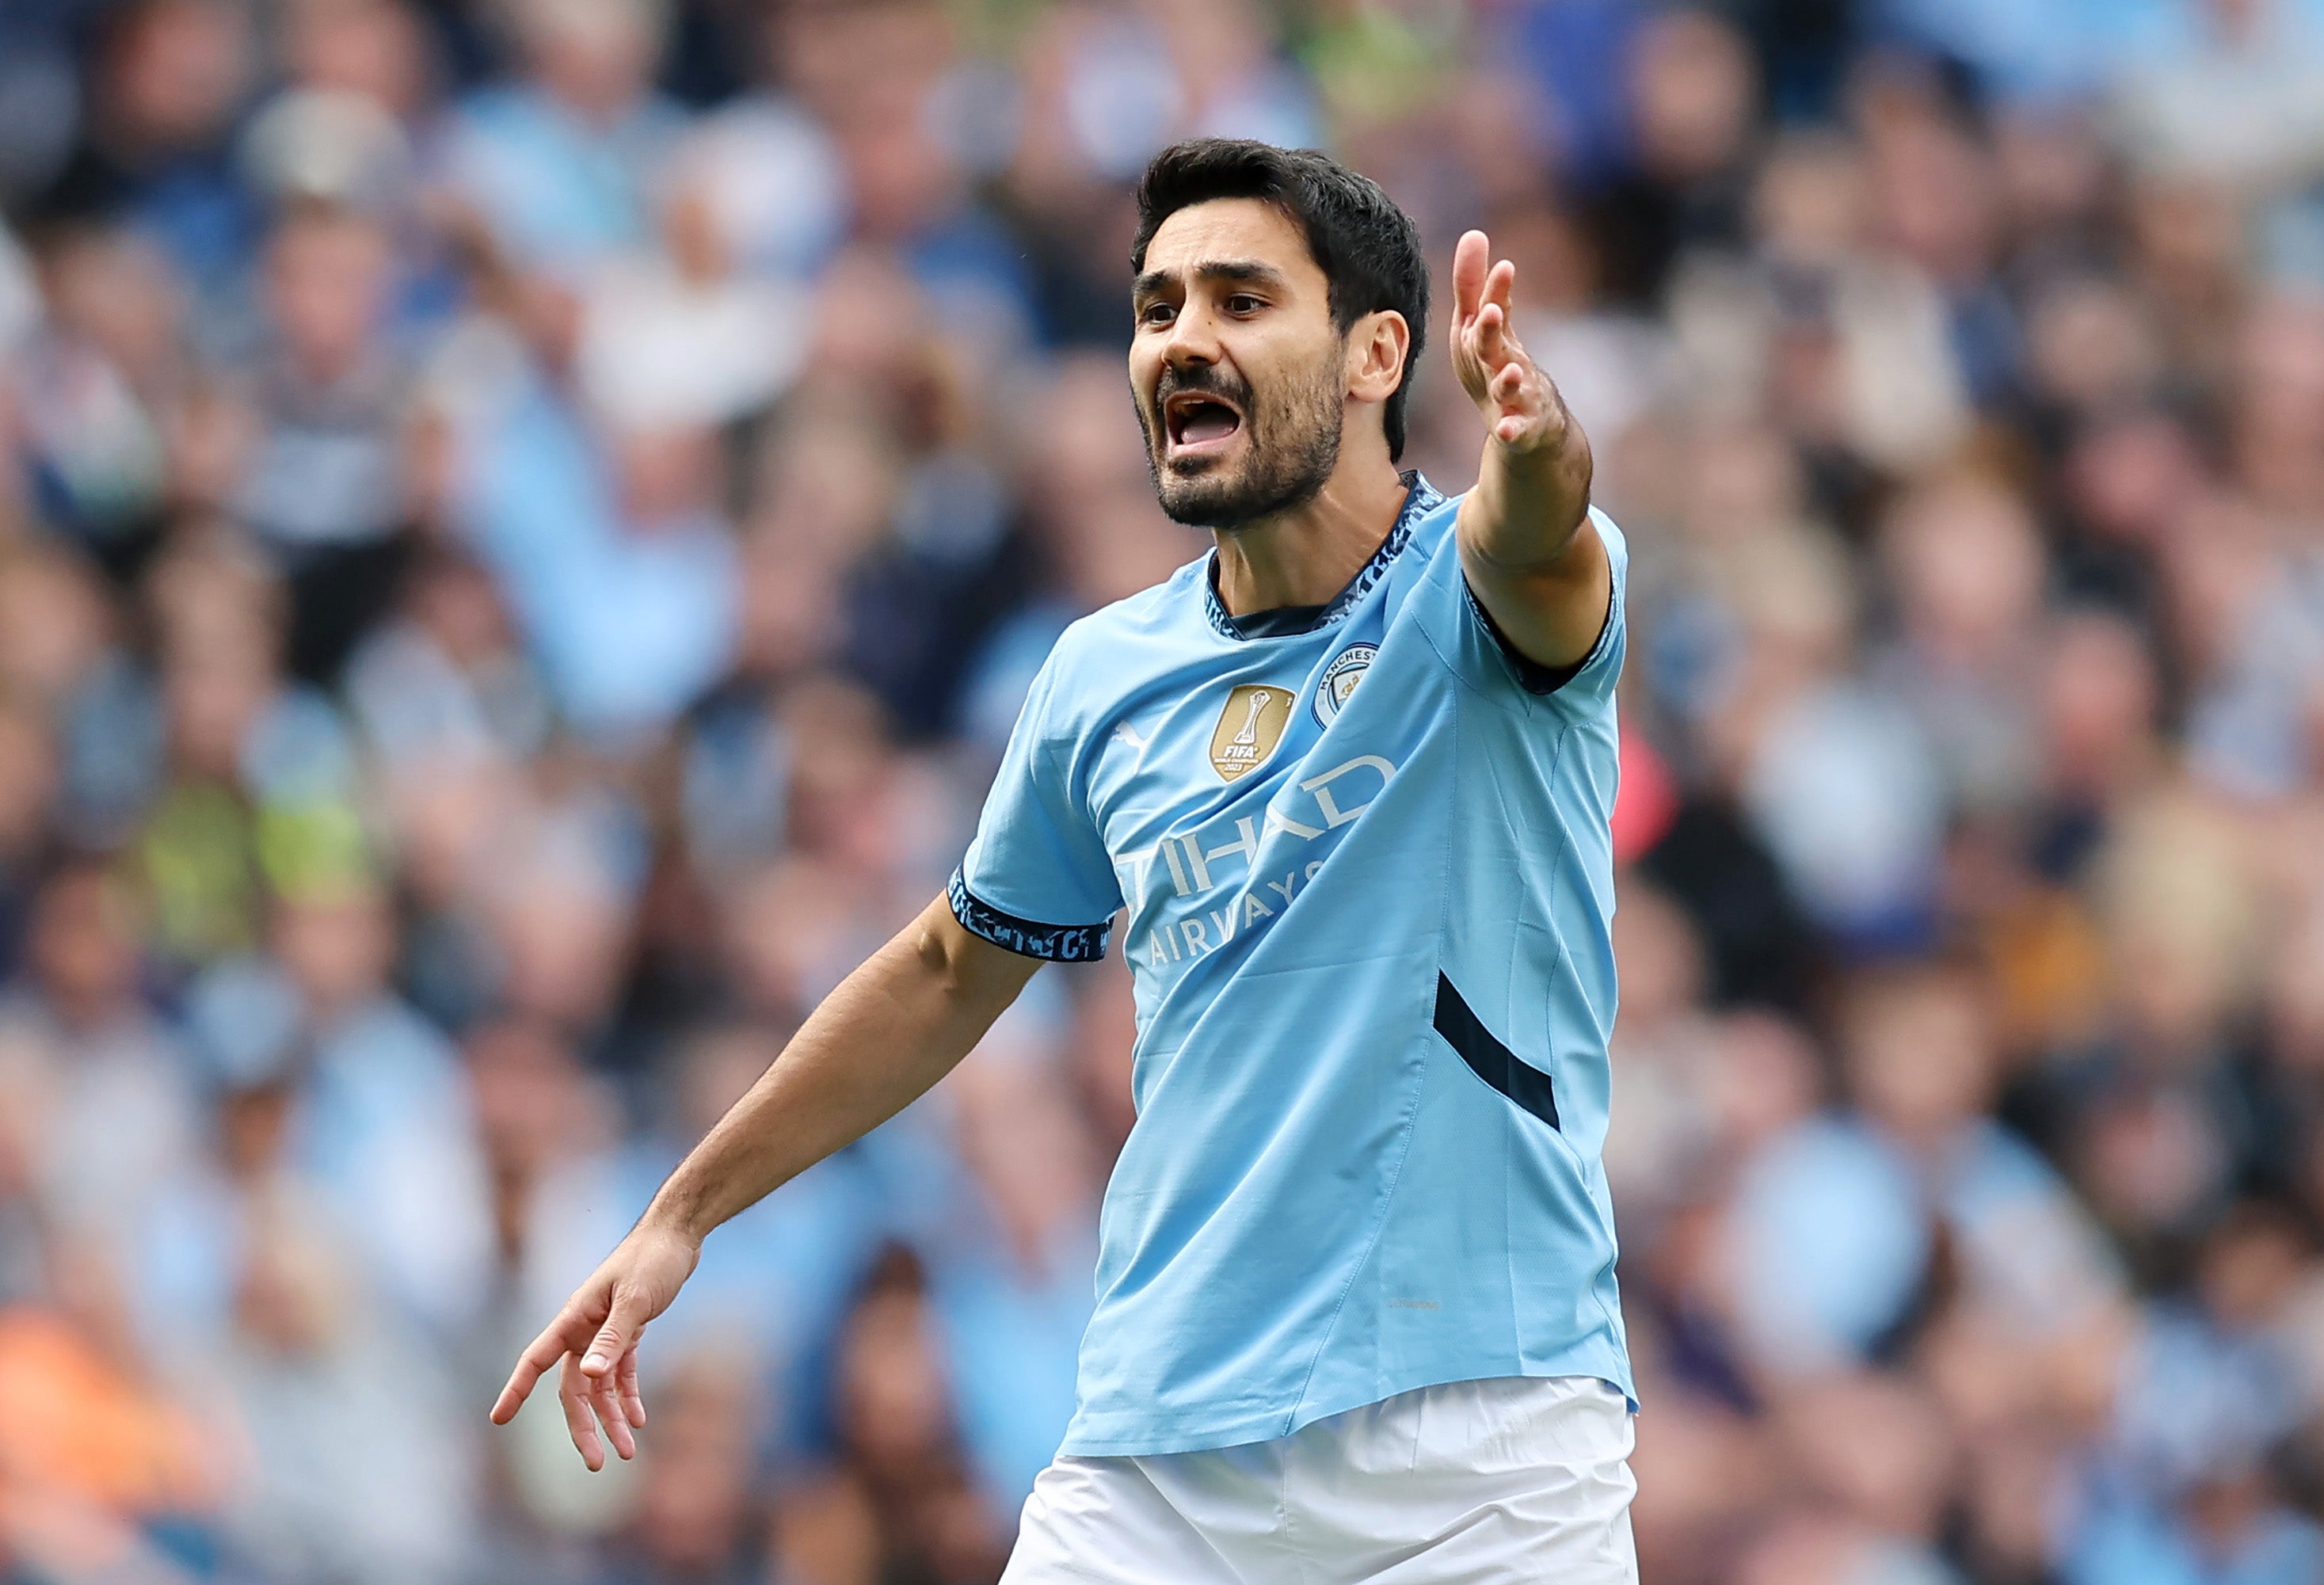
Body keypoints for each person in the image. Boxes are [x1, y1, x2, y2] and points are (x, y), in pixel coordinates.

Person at [493, 138, 1640, 1582]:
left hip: (1482, 1438)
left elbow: (1543, 538)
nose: (1182, 342)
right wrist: (683, 1211)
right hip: (1163, 1448)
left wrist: (1538, 449)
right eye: (1158, 308)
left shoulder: (1484, 589)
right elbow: (942, 969)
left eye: (1240, 300)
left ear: (1374, 356)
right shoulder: (1105, 675)